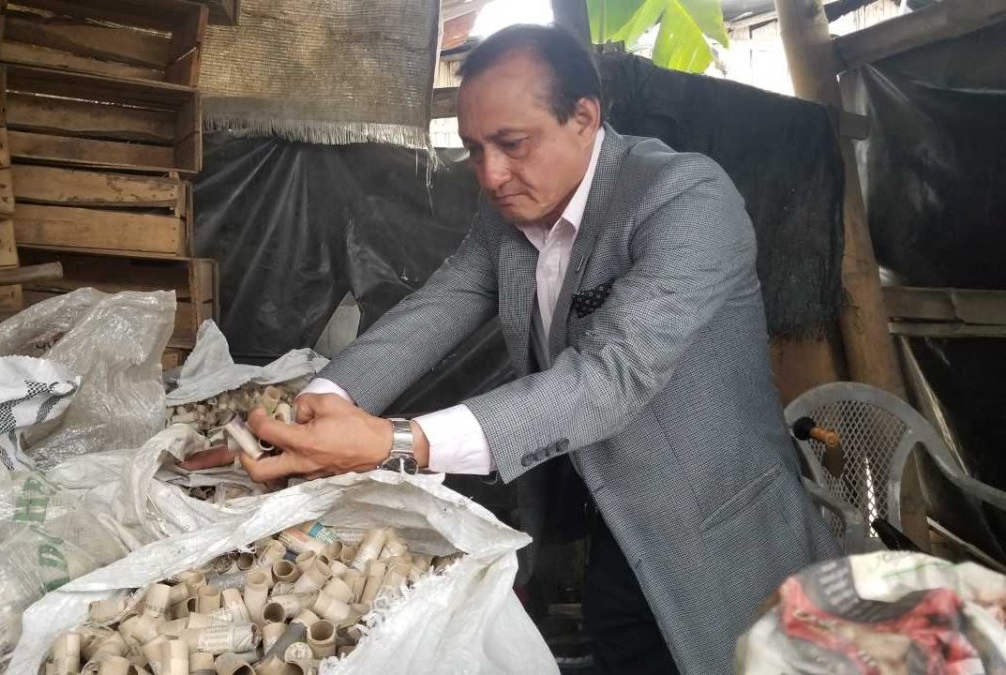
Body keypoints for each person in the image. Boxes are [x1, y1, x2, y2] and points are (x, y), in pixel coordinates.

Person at [185, 24, 839, 675]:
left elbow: (610, 376)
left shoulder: (684, 199)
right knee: (626, 648)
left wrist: (395, 441)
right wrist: (313, 407)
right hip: (615, 521)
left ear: (584, 117)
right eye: (474, 150)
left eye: (512, 144)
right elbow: (436, 307)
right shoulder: (509, 218)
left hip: (715, 526)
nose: (492, 175)